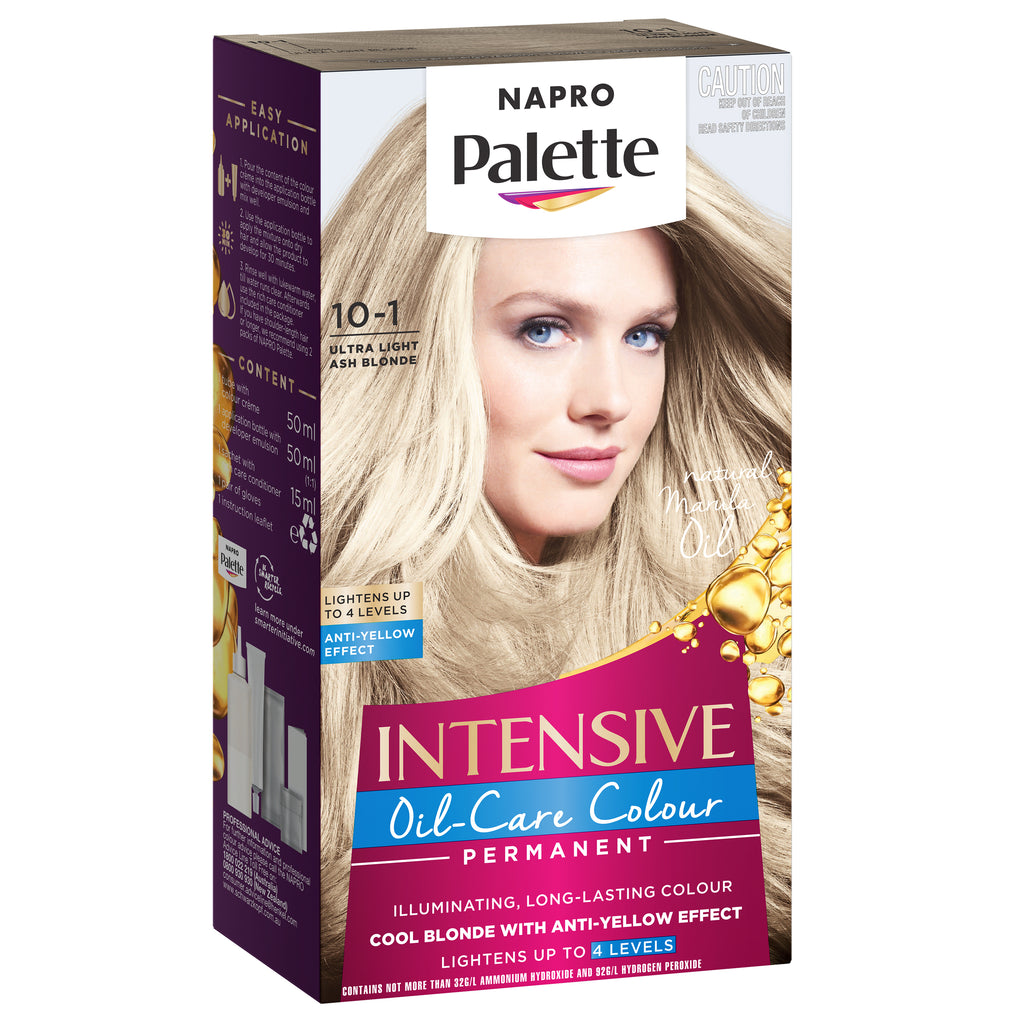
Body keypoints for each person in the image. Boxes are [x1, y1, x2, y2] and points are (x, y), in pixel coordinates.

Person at [318, 105, 791, 998]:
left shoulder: (741, 614)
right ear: (411, 345)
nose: (610, 400)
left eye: (646, 335)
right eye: (543, 328)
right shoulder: (312, 647)